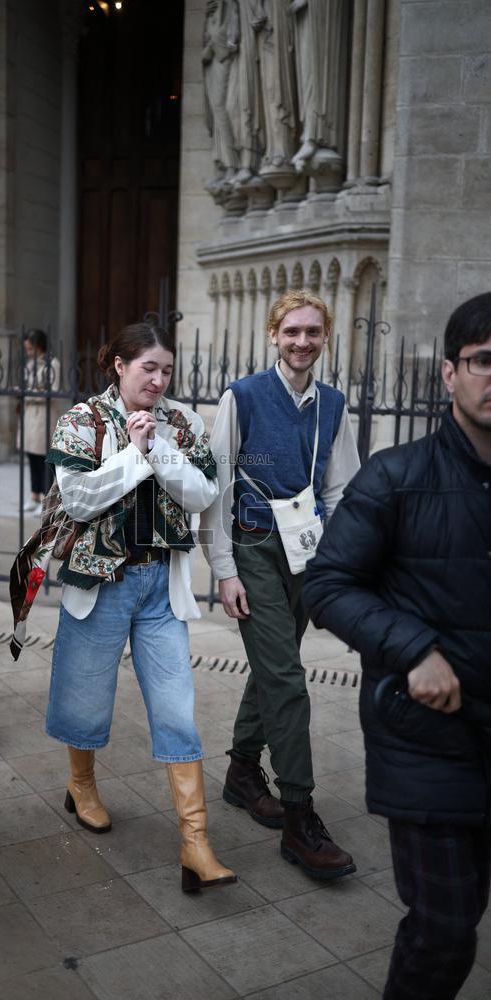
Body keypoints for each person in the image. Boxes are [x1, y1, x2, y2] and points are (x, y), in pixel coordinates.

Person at [303, 292, 491, 1000]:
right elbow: (328, 585)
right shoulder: (396, 477)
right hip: (427, 737)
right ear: (450, 374)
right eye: (483, 361)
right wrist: (413, 649)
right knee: (444, 928)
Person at [11, 322, 236, 892]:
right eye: (148, 369)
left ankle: (195, 841)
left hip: (160, 585)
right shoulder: (82, 420)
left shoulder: (181, 422)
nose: (159, 380)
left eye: (166, 369)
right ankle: (81, 785)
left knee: (177, 708)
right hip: (100, 584)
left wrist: (157, 446)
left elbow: (205, 493)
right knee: (85, 696)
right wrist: (134, 453)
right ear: (118, 365)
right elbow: (80, 498)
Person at [200, 289, 359, 879]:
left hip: (308, 549)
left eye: (312, 332)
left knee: (277, 663)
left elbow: (343, 488)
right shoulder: (242, 396)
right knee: (288, 680)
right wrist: (223, 570)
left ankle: (243, 769)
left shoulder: (334, 405)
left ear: (324, 337)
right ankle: (300, 814)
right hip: (254, 547)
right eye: (292, 331)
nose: (302, 342)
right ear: (273, 334)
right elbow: (215, 487)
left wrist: (339, 557)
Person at [18, 328, 59, 516]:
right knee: (32, 457)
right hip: (29, 415)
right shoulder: (29, 364)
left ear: (39, 346)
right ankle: (34, 495)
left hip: (43, 416)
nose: (28, 352)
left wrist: (28, 394)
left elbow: (53, 391)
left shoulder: (53, 364)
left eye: (30, 348)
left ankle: (47, 499)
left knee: (44, 459)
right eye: (26, 349)